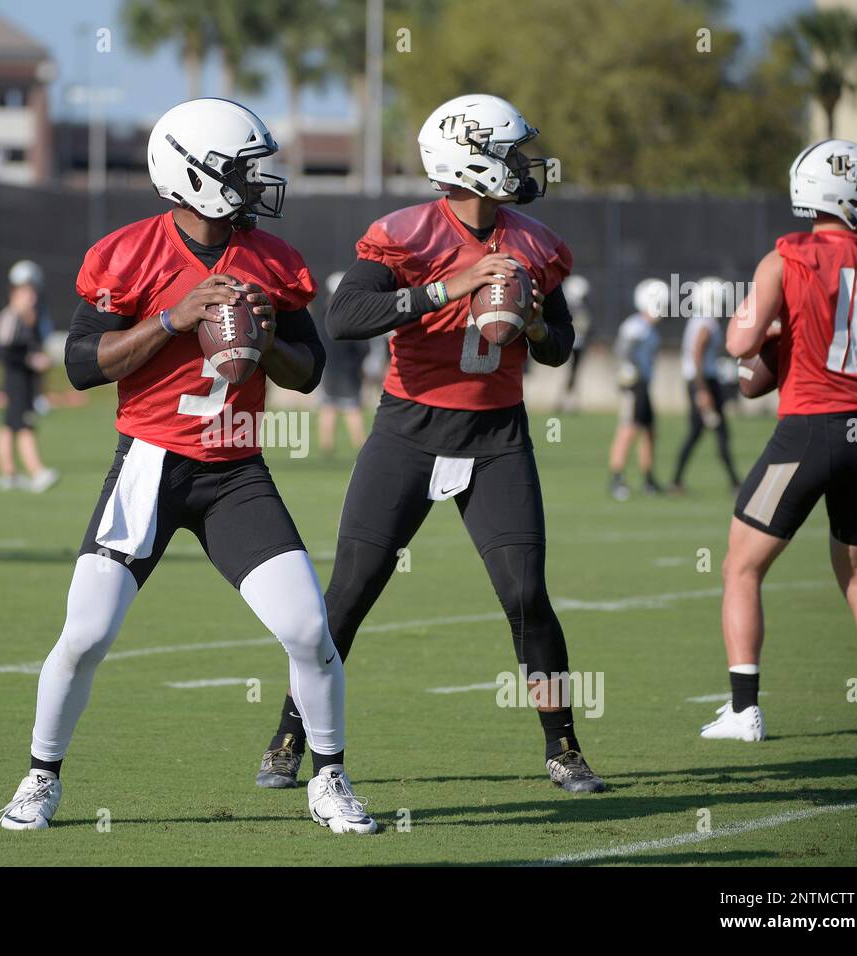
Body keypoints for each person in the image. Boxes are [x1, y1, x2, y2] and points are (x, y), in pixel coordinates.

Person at [0, 97, 377, 833]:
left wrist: (263, 342)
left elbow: (310, 372)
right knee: (86, 635)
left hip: (235, 471)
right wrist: (173, 318)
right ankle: (40, 779)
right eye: (243, 168)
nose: (259, 183)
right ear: (196, 174)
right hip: (150, 463)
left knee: (307, 630)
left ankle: (329, 777)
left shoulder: (273, 259)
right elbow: (79, 365)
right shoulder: (128, 253)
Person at [253, 94, 606, 794]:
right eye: (510, 152)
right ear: (471, 162)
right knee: (349, 595)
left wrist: (534, 325)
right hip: (408, 432)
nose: (524, 164)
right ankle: (290, 734)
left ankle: (562, 746)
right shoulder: (406, 234)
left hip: (497, 435)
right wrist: (448, 287)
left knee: (527, 594)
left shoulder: (536, 242)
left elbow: (560, 349)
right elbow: (347, 316)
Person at [702, 139, 857, 742]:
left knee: (741, 568)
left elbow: (740, 350)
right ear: (846, 195)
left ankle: (743, 710)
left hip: (809, 431)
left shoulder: (786, 257)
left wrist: (773, 330)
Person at [670, 276, 740, 493]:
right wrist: (702, 391)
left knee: (702, 431)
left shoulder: (699, 319)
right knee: (716, 431)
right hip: (704, 382)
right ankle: (735, 483)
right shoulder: (706, 323)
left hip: (701, 381)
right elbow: (697, 355)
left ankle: (678, 481)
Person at [0, 260, 59, 493]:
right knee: (24, 424)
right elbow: (5, 352)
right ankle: (36, 471)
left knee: (9, 424)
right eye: (26, 291)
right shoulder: (10, 316)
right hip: (16, 380)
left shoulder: (29, 317)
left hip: (24, 380)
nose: (31, 296)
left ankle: (8, 473)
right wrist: (31, 360)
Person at [608, 278, 667, 500]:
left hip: (644, 384)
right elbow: (622, 351)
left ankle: (648, 478)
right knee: (628, 430)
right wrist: (627, 372)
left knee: (649, 431)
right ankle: (616, 478)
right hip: (633, 386)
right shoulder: (635, 326)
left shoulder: (649, 329)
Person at [316, 271, 368, 456]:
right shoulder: (353, 314)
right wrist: (361, 364)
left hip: (328, 368)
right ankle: (361, 446)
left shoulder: (323, 315)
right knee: (352, 408)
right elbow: (363, 345)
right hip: (348, 369)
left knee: (328, 407)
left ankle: (326, 446)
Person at [557, 274, 591, 412]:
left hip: (576, 346)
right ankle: (563, 400)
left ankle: (569, 401)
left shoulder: (580, 308)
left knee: (573, 375)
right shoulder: (566, 307)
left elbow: (585, 327)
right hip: (566, 344)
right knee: (567, 374)